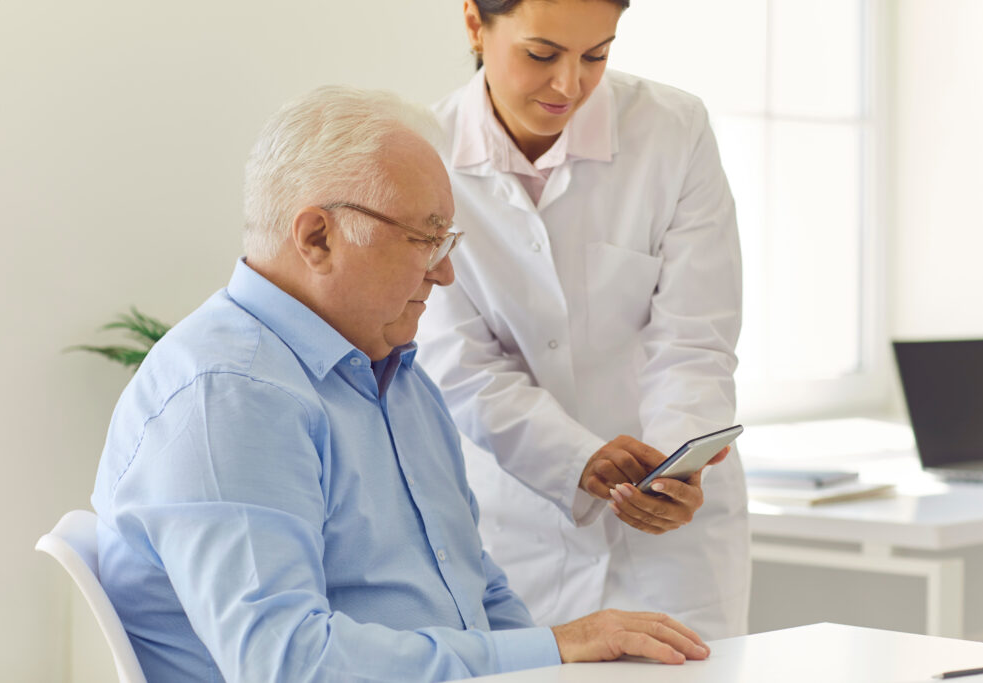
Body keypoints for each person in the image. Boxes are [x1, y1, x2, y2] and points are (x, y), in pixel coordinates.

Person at [89, 85, 712, 682]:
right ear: (316, 237)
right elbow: (285, 665)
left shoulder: (396, 379)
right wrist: (556, 647)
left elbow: (478, 590)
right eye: (424, 238)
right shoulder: (230, 394)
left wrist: (552, 667)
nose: (444, 272)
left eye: (448, 240)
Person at [416, 0, 750, 640]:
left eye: (597, 54)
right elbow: (457, 364)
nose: (569, 84)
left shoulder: (674, 131)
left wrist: (677, 464)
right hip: (521, 528)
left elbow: (694, 338)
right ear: (474, 23)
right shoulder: (424, 153)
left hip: (677, 551)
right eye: (541, 54)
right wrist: (576, 459)